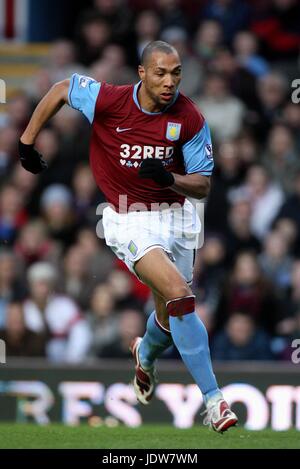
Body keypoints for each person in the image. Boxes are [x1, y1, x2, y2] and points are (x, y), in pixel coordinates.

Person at [18, 40, 237, 433]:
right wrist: (26, 141)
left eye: (176, 73)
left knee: (170, 319)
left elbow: (203, 185)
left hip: (177, 217)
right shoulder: (109, 99)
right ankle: (215, 400)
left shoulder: (189, 118)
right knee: (181, 296)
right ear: (141, 73)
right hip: (127, 217)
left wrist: (170, 178)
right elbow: (61, 88)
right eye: (160, 73)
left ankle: (145, 353)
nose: (169, 82)